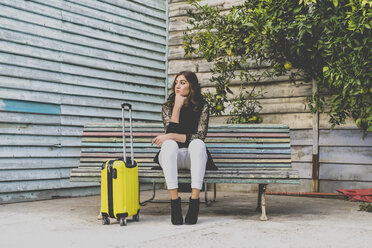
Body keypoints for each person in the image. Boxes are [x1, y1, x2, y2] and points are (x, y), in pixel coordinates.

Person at [152, 71, 217, 225]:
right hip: (172, 157)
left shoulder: (203, 106)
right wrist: (177, 107)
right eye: (176, 82)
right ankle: (175, 203)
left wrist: (170, 136)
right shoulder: (168, 106)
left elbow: (200, 135)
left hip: (192, 157)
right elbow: (170, 133)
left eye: (183, 82)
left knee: (197, 144)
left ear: (191, 86)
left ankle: (194, 202)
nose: (178, 86)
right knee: (168, 145)